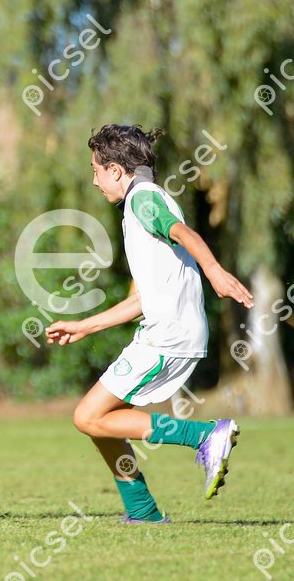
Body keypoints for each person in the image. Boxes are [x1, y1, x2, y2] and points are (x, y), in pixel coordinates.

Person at [46, 124, 254, 523]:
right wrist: (85, 326)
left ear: (116, 170)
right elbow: (140, 299)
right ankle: (142, 511)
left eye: (96, 171)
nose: (94, 181)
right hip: (166, 330)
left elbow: (183, 232)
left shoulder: (143, 199)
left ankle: (204, 435)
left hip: (167, 335)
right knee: (101, 423)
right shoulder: (140, 206)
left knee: (86, 416)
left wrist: (214, 271)